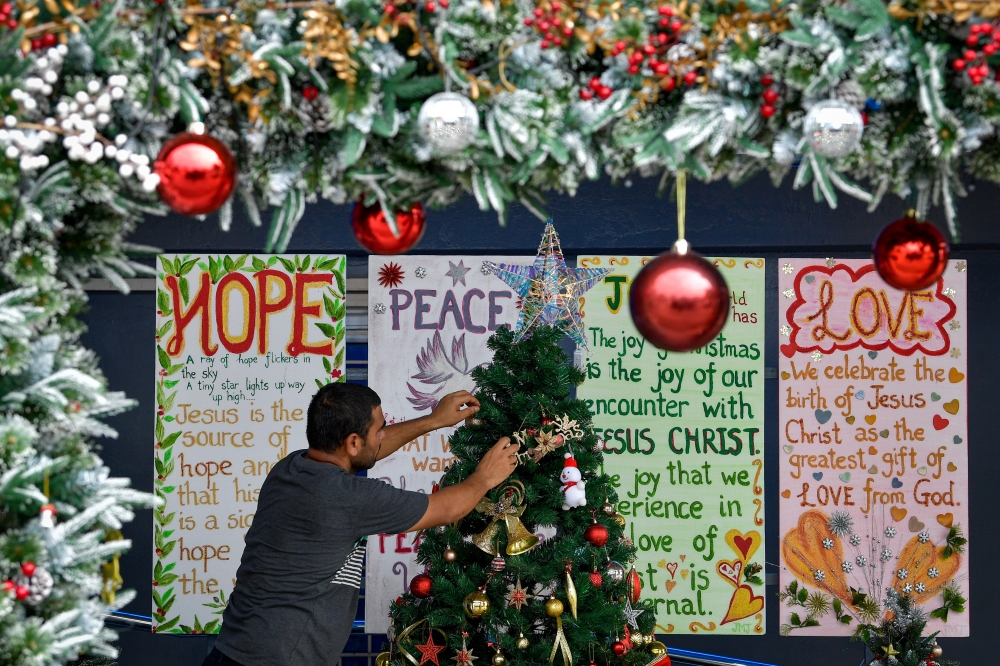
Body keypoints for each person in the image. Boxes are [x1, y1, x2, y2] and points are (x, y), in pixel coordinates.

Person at [204, 383, 518, 666]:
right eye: (379, 429)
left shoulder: (290, 468)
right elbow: (447, 509)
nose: (383, 435)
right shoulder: (349, 498)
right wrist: (486, 476)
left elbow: (368, 452)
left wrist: (432, 421)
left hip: (231, 650)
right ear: (353, 442)